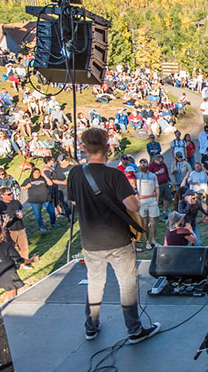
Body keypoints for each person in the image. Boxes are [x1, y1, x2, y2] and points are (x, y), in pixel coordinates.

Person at [65, 127, 159, 344]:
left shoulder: (76, 173)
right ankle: (134, 330)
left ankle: (91, 327)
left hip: (90, 241)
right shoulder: (114, 175)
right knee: (126, 284)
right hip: (118, 240)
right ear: (108, 148)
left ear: (84, 148)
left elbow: (74, 202)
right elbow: (133, 206)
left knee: (95, 283)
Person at [0, 227, 25, 298]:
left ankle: (4, 306)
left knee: (8, 291)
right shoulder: (6, 246)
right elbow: (18, 259)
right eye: (3, 231)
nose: (4, 232)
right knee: (12, 294)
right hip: (8, 274)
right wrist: (32, 260)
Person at [134, 158, 159, 250]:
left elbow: (157, 188)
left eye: (144, 163)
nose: (143, 165)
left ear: (148, 164)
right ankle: (147, 241)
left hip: (152, 202)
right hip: (142, 203)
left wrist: (157, 200)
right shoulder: (136, 176)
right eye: (141, 163)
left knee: (153, 223)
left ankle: (153, 240)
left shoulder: (153, 176)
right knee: (144, 223)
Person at [22, 167, 57, 231]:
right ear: (32, 173)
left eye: (38, 173)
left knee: (52, 212)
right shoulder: (29, 180)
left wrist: (44, 175)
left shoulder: (43, 179)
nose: (37, 174)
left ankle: (53, 223)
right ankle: (41, 226)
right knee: (38, 214)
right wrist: (27, 186)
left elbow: (50, 183)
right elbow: (22, 188)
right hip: (35, 201)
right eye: (35, 173)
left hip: (46, 199)